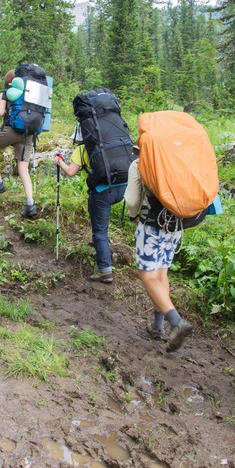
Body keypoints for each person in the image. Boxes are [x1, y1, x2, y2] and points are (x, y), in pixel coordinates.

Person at [124, 148, 194, 351]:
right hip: (175, 225)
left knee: (148, 276)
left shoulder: (141, 163)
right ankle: (157, 327)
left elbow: (132, 200)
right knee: (162, 272)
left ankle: (175, 322)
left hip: (152, 224)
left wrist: (133, 215)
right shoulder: (178, 159)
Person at [56, 124, 127, 283]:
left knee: (100, 232)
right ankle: (101, 243)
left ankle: (105, 270)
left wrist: (60, 161)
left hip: (102, 192)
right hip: (121, 188)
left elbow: (70, 172)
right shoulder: (107, 145)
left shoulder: (81, 150)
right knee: (101, 227)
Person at [0, 69, 37, 218]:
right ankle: (30, 204)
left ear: (8, 82)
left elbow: (1, 112)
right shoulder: (29, 92)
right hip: (28, 133)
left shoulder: (6, 91)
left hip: (12, 130)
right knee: (23, 168)